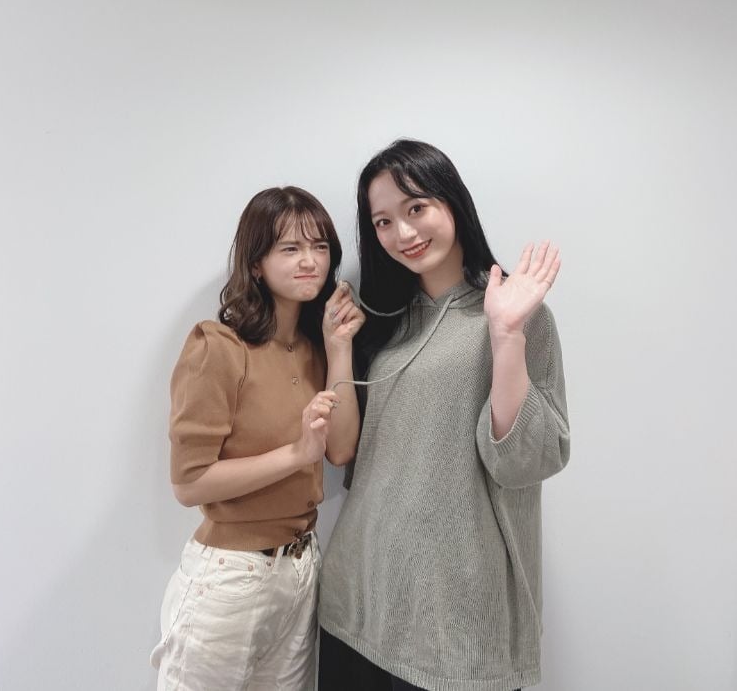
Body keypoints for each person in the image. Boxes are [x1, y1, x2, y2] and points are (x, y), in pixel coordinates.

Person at [318, 139, 570, 691]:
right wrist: (338, 347)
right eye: (383, 222)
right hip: (358, 599)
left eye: (416, 207)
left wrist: (506, 335)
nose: (403, 233)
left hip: (456, 623)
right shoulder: (387, 324)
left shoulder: (517, 313)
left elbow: (525, 462)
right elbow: (344, 454)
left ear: (452, 202)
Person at [151, 186, 364, 691]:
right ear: (256, 264)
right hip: (231, 576)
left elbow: (340, 450)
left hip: (301, 571)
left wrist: (338, 349)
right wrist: (296, 454)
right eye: (290, 249)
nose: (310, 261)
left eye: (319, 247)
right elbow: (189, 483)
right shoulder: (218, 347)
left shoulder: (313, 348)